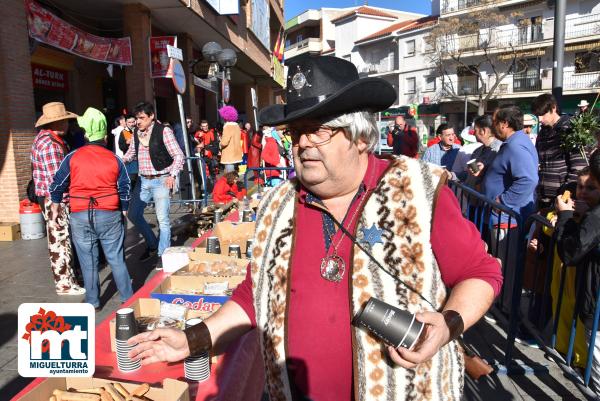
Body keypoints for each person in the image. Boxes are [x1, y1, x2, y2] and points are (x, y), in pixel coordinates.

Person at [129, 55, 502, 401]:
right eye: (296, 131)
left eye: (319, 130)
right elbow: (254, 297)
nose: (303, 142)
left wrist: (449, 323)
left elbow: (480, 272)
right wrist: (191, 339)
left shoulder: (419, 190)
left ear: (358, 135)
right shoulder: (277, 204)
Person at [49, 107, 133, 310]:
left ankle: (93, 301)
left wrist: (55, 202)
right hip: (109, 212)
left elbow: (57, 184)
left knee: (88, 262)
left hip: (80, 214)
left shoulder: (72, 157)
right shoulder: (114, 159)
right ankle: (128, 299)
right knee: (116, 258)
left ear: (86, 133)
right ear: (104, 136)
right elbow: (125, 186)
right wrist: (124, 207)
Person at [483, 105, 538, 314]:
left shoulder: (516, 146)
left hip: (507, 217)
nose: (493, 126)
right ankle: (503, 304)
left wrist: (502, 202)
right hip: (504, 216)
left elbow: (528, 179)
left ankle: (504, 307)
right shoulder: (515, 143)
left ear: (504, 124)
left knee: (505, 264)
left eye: (495, 122)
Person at [556, 152, 600, 395]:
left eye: (591, 187)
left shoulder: (595, 217)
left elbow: (570, 253)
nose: (582, 192)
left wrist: (565, 217)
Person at [30, 102, 85, 296]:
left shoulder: (44, 139)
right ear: (58, 123)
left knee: (60, 240)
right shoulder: (51, 145)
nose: (68, 124)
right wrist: (63, 202)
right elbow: (58, 179)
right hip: (55, 200)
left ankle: (69, 279)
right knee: (60, 241)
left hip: (49, 197)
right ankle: (65, 284)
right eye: (66, 121)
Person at [122, 102, 185, 270]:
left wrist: (172, 175)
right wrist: (122, 160)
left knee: (163, 220)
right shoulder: (136, 132)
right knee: (133, 214)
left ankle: (162, 254)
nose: (138, 121)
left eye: (142, 118)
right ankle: (151, 244)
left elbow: (179, 155)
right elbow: (132, 153)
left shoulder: (164, 131)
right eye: (136, 118)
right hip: (143, 181)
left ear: (151, 116)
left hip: (161, 180)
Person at [533, 93, 588, 209]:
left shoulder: (570, 129)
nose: (540, 119)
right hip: (543, 198)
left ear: (553, 108)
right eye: (537, 115)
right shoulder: (542, 134)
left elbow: (579, 167)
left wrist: (565, 195)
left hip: (563, 201)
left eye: (543, 114)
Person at [463, 115, 501, 189]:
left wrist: (483, 171)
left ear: (483, 131)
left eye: (475, 130)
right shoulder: (477, 150)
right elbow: (469, 175)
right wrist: (452, 175)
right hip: (472, 197)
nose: (473, 133)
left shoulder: (501, 150)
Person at [219, 105, 243, 173]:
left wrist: (220, 143)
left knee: (229, 175)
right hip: (236, 153)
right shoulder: (237, 126)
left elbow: (224, 142)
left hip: (229, 154)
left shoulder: (227, 126)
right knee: (233, 174)